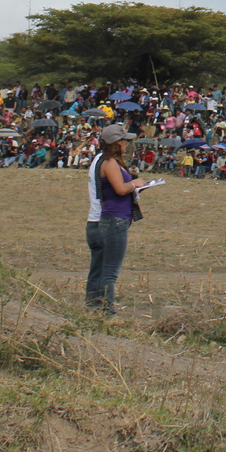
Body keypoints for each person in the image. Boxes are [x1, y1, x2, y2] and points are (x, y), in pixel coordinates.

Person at [88, 124, 154, 315]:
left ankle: (93, 307)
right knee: (110, 272)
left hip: (112, 218)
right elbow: (120, 189)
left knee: (100, 269)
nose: (127, 144)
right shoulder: (109, 163)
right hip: (115, 219)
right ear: (116, 143)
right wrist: (136, 183)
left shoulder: (106, 162)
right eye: (124, 141)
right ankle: (107, 310)